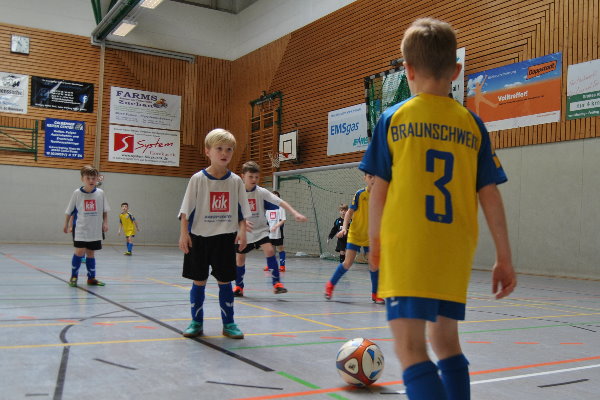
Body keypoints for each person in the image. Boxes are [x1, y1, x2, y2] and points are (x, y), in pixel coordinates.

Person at [361, 18, 517, 400]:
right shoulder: (473, 125)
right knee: (446, 341)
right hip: (454, 249)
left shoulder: (392, 119)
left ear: (407, 71)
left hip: (409, 249)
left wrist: (375, 242)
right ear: (457, 70)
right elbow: (490, 195)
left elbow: (377, 192)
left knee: (410, 348)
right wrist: (504, 256)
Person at [178, 128, 251, 339]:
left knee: (225, 282)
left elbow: (242, 212)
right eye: (219, 148)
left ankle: (229, 324)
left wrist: (243, 232)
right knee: (198, 281)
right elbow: (185, 211)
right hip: (199, 238)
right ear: (208, 151)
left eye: (228, 149)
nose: (224, 153)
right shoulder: (197, 179)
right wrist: (184, 234)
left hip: (225, 239)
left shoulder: (236, 181)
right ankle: (196, 322)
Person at [233, 161, 307, 297]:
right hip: (244, 231)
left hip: (261, 229)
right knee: (240, 259)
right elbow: (230, 212)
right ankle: (238, 286)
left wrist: (295, 213)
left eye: (256, 177)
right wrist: (239, 223)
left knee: (269, 250)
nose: (254, 180)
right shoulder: (237, 193)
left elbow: (280, 202)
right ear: (242, 176)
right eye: (251, 177)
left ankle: (277, 284)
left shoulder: (261, 192)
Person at [324, 174, 383, 304]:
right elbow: (349, 213)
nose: (373, 179)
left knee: (374, 265)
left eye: (376, 176)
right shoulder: (360, 194)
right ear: (365, 178)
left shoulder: (381, 195)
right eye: (370, 176)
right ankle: (330, 285)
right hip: (355, 234)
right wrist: (344, 228)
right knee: (347, 263)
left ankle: (376, 294)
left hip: (370, 236)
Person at [63, 165, 110, 287]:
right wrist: (66, 224)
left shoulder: (101, 193)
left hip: (95, 230)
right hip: (80, 229)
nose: (91, 181)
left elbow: (105, 210)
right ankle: (74, 276)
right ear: (82, 179)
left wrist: (105, 223)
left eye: (93, 178)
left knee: (91, 253)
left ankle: (91, 278)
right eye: (88, 178)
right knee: (79, 252)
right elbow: (69, 210)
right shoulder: (77, 193)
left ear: (97, 179)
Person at [265, 190, 287, 272]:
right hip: (269, 233)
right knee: (270, 250)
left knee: (280, 248)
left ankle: (282, 266)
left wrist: (276, 226)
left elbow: (283, 220)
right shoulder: (268, 209)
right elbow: (266, 221)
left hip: (278, 232)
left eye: (276, 196)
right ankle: (270, 265)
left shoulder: (281, 208)